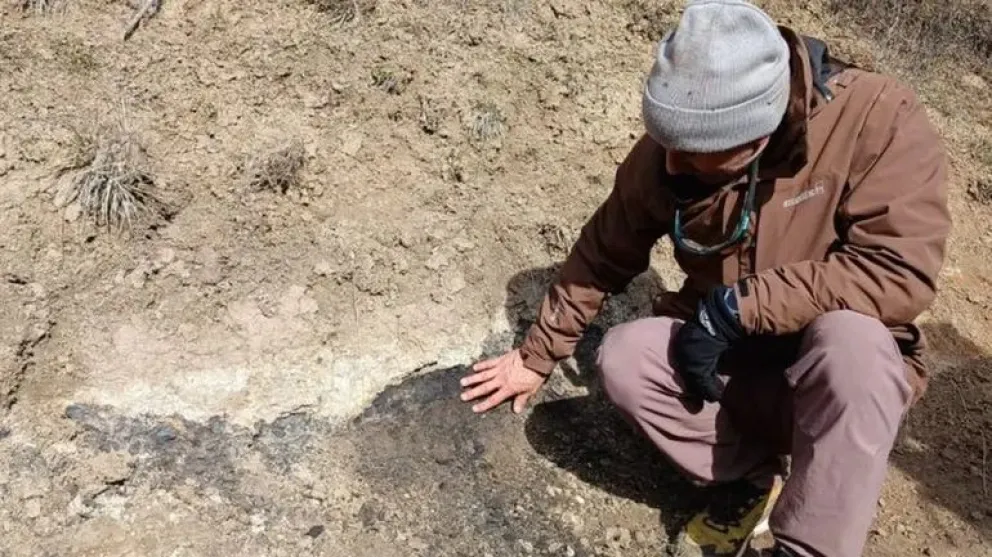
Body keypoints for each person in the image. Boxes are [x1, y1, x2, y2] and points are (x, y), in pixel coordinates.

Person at [459, 0, 952, 555]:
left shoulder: (878, 119)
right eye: (667, 144)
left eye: (694, 154)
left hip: (833, 388)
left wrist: (741, 306)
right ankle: (751, 476)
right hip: (731, 366)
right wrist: (536, 355)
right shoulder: (677, 146)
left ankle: (807, 545)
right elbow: (603, 251)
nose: (671, 164)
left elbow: (898, 273)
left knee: (853, 343)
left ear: (756, 138)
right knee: (626, 357)